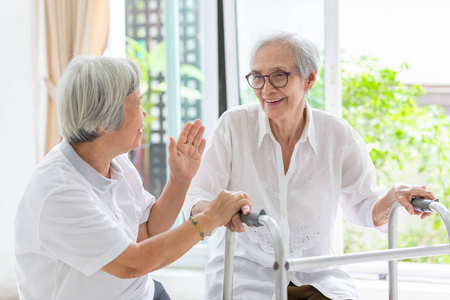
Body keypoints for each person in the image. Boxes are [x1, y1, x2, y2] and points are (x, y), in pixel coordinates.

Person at [182, 32, 435, 300]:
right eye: (258, 77)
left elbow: (363, 204)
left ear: (309, 79)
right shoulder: (233, 126)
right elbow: (198, 196)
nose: (267, 89)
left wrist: (393, 195)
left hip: (319, 278)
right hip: (249, 278)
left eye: (279, 76)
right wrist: (217, 212)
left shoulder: (337, 135)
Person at [14, 56, 251, 300]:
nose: (145, 113)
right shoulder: (59, 192)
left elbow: (149, 230)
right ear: (100, 122)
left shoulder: (115, 162)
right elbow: (132, 263)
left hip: (145, 293)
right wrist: (210, 219)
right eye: (137, 104)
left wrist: (180, 180)